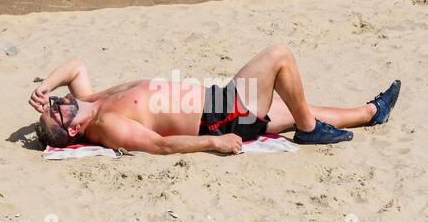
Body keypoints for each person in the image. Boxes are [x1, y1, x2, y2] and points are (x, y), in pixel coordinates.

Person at [29, 45, 400, 154]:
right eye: (57, 112)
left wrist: (44, 86)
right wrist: (213, 142)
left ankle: (371, 112)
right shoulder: (106, 124)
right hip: (221, 115)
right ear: (74, 129)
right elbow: (159, 145)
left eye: (54, 105)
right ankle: (309, 131)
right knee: (280, 57)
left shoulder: (90, 100)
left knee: (298, 107)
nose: (57, 105)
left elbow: (76, 65)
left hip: (222, 101)